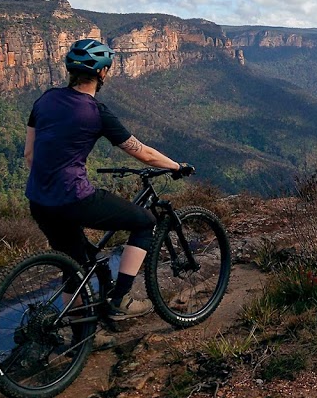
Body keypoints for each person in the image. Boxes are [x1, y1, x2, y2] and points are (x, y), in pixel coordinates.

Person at [24, 38, 193, 321]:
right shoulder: (96, 112)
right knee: (145, 222)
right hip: (75, 198)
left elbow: (30, 155)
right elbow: (145, 155)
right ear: (103, 72)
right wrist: (176, 166)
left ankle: (77, 331)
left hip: (39, 200)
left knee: (75, 264)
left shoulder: (44, 100)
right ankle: (121, 299)